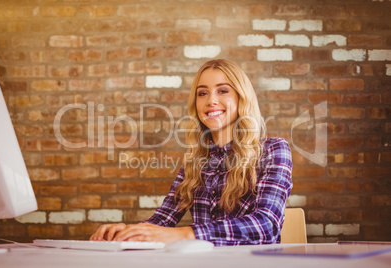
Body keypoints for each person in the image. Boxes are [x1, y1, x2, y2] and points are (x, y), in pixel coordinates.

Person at [90, 59, 293, 246]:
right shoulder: (195, 162)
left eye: (223, 91)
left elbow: (266, 225)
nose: (211, 100)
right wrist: (126, 232)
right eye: (202, 93)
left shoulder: (274, 150)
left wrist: (187, 234)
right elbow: (163, 220)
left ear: (242, 97)